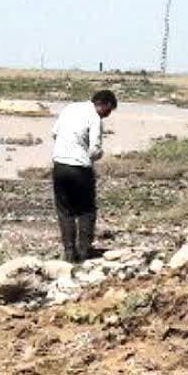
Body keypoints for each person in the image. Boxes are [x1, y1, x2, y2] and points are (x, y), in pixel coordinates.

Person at [51, 90, 117, 263]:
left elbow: (54, 133)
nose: (107, 116)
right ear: (105, 104)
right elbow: (94, 150)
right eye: (108, 112)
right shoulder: (94, 117)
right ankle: (84, 253)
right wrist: (98, 155)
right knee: (86, 211)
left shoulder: (70, 108)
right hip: (79, 168)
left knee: (65, 211)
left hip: (59, 165)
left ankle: (69, 252)